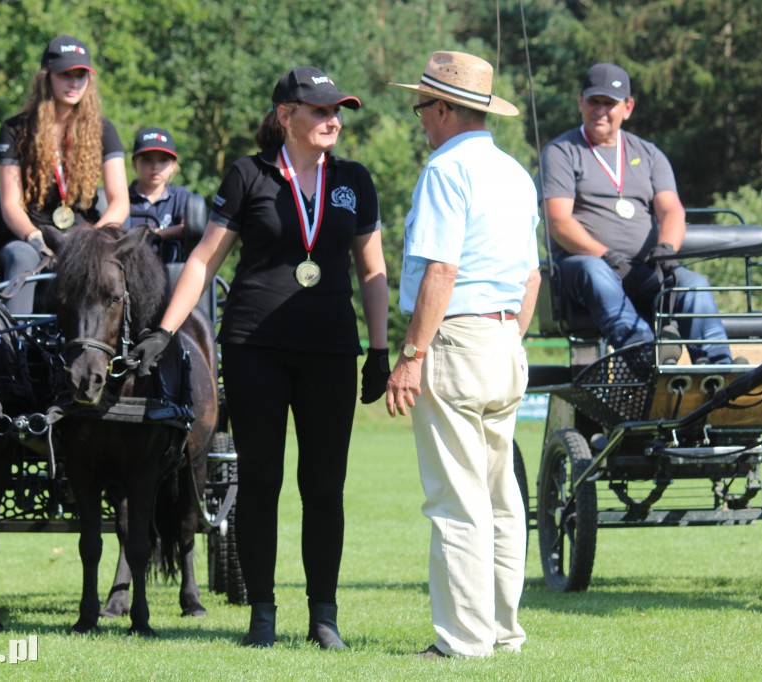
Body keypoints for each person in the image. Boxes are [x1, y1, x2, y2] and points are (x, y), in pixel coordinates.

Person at [129, 66, 389, 649]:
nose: (332, 120)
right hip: (255, 350)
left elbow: (372, 271)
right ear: (286, 116)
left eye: (337, 111)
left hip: (329, 351)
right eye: (320, 110)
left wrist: (378, 350)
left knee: (324, 486)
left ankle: (324, 615)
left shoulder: (353, 179)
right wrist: (167, 331)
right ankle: (263, 614)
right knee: (262, 482)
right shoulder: (248, 174)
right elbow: (202, 261)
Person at [386, 51, 540, 659]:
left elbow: (441, 268)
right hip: (505, 341)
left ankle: (463, 639)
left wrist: (412, 353)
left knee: (456, 498)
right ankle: (503, 630)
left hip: (456, 338)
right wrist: (508, 338)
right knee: (503, 498)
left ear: (446, 109)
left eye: (423, 106)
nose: (420, 118)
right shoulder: (515, 173)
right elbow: (531, 279)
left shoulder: (445, 171)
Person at [541, 62, 732, 364]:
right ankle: (644, 353)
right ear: (581, 103)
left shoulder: (649, 153)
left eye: (610, 103)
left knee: (694, 284)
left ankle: (718, 367)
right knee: (595, 273)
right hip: (585, 267)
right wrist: (606, 255)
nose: (600, 110)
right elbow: (558, 221)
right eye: (594, 101)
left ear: (627, 108)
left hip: (643, 269)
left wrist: (667, 248)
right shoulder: (562, 151)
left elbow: (671, 210)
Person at [0, 35, 129, 314]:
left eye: (80, 75)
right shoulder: (14, 129)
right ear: (47, 77)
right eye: (65, 74)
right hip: (31, 238)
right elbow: (9, 203)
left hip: (87, 238)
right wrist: (36, 238)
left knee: (126, 262)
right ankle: (11, 347)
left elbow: (119, 201)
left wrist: (93, 239)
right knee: (20, 257)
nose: (74, 83)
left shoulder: (104, 129)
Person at [128, 126, 199, 263]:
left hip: (172, 275)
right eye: (147, 159)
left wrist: (157, 235)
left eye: (163, 160)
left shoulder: (181, 197)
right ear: (134, 164)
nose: (155, 166)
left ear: (173, 166)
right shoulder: (121, 200)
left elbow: (191, 228)